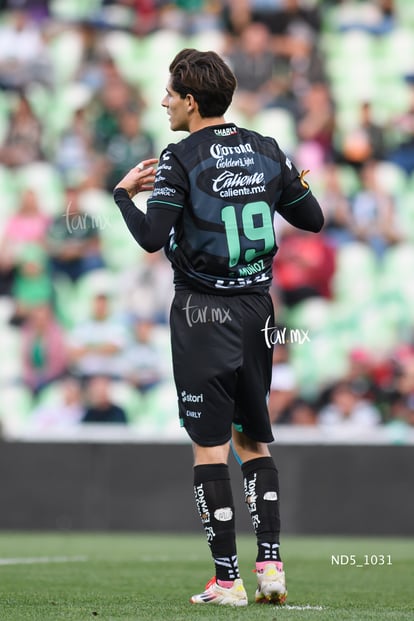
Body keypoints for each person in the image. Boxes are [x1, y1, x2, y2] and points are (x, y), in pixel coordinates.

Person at [112, 48, 324, 607]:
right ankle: (271, 567)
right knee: (252, 440)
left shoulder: (179, 157)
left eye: (169, 94)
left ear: (189, 100)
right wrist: (282, 180)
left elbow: (152, 238)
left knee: (209, 448)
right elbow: (313, 219)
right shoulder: (265, 149)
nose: (163, 102)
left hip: (203, 312)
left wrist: (121, 196)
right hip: (258, 310)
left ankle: (227, 580)